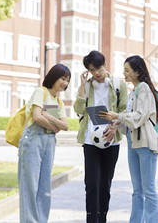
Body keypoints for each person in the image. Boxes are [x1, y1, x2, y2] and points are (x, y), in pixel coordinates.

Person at [100, 55, 158, 223]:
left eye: (127, 70)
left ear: (137, 72)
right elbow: (130, 123)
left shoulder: (144, 88)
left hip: (146, 145)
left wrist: (118, 115)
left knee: (148, 190)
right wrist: (116, 123)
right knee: (137, 191)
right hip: (133, 143)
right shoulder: (134, 91)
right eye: (124, 70)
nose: (124, 73)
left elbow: (140, 117)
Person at [73, 50, 128, 223]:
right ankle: (91, 219)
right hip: (90, 140)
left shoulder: (119, 85)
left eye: (98, 68)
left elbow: (124, 110)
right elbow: (79, 110)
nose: (96, 73)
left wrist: (115, 127)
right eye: (91, 70)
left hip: (111, 141)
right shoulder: (88, 86)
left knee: (105, 184)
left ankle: (102, 218)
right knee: (91, 184)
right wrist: (82, 85)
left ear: (105, 65)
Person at [18, 64, 71, 223]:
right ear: (53, 77)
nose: (65, 83)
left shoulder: (59, 101)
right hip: (33, 140)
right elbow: (37, 117)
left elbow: (66, 126)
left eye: (67, 80)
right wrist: (55, 127)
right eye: (62, 78)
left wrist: (50, 119)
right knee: (30, 187)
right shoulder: (40, 92)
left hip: (49, 142)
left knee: (44, 188)